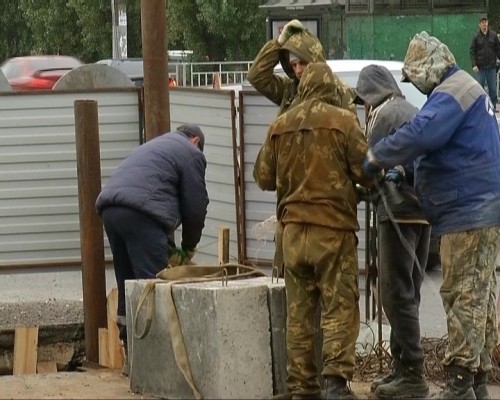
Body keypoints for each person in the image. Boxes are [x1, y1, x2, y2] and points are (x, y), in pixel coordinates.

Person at [363, 31, 500, 399]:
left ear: (428, 68)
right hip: (479, 209)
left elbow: (422, 134)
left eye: (416, 78)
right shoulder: (464, 93)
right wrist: (407, 172)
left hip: (467, 213)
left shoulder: (453, 90)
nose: (417, 88)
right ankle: (477, 383)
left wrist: (380, 157)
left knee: (462, 296)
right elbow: (443, 151)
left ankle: (458, 385)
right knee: (480, 297)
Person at [253, 61, 372, 400]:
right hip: (332, 231)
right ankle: (334, 382)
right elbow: (367, 171)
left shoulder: (280, 124)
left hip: (292, 235)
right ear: (331, 87)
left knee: (299, 313)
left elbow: (262, 177)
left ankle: (302, 387)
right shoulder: (344, 121)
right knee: (339, 304)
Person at [95, 124, 209, 373]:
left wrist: (167, 246)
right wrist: (189, 246)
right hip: (140, 214)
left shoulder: (156, 147)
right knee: (154, 285)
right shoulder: (191, 153)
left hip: (111, 210)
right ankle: (158, 366)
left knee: (129, 285)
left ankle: (131, 358)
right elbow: (195, 204)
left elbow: (153, 192)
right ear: (196, 140)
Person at [247, 19, 357, 276]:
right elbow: (256, 76)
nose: (298, 70)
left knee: (334, 303)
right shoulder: (290, 92)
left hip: (329, 210)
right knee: (293, 294)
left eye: (303, 63)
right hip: (293, 208)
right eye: (293, 65)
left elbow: (351, 144)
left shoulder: (338, 94)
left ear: (315, 60)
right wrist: (279, 42)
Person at [353, 64, 431, 399]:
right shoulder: (410, 108)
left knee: (393, 292)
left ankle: (412, 372)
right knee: (409, 290)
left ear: (369, 94)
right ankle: (402, 368)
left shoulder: (385, 115)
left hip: (398, 210)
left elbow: (367, 166)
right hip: (424, 211)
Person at [470, 15, 500, 112]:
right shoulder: (476, 37)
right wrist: (474, 65)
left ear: (488, 23)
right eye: (482, 23)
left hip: (491, 67)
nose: (484, 24)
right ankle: (480, 108)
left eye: (486, 22)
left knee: (492, 88)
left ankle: (493, 106)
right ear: (479, 25)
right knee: (479, 88)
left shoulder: (494, 35)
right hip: (480, 68)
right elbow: (472, 51)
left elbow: (498, 49)